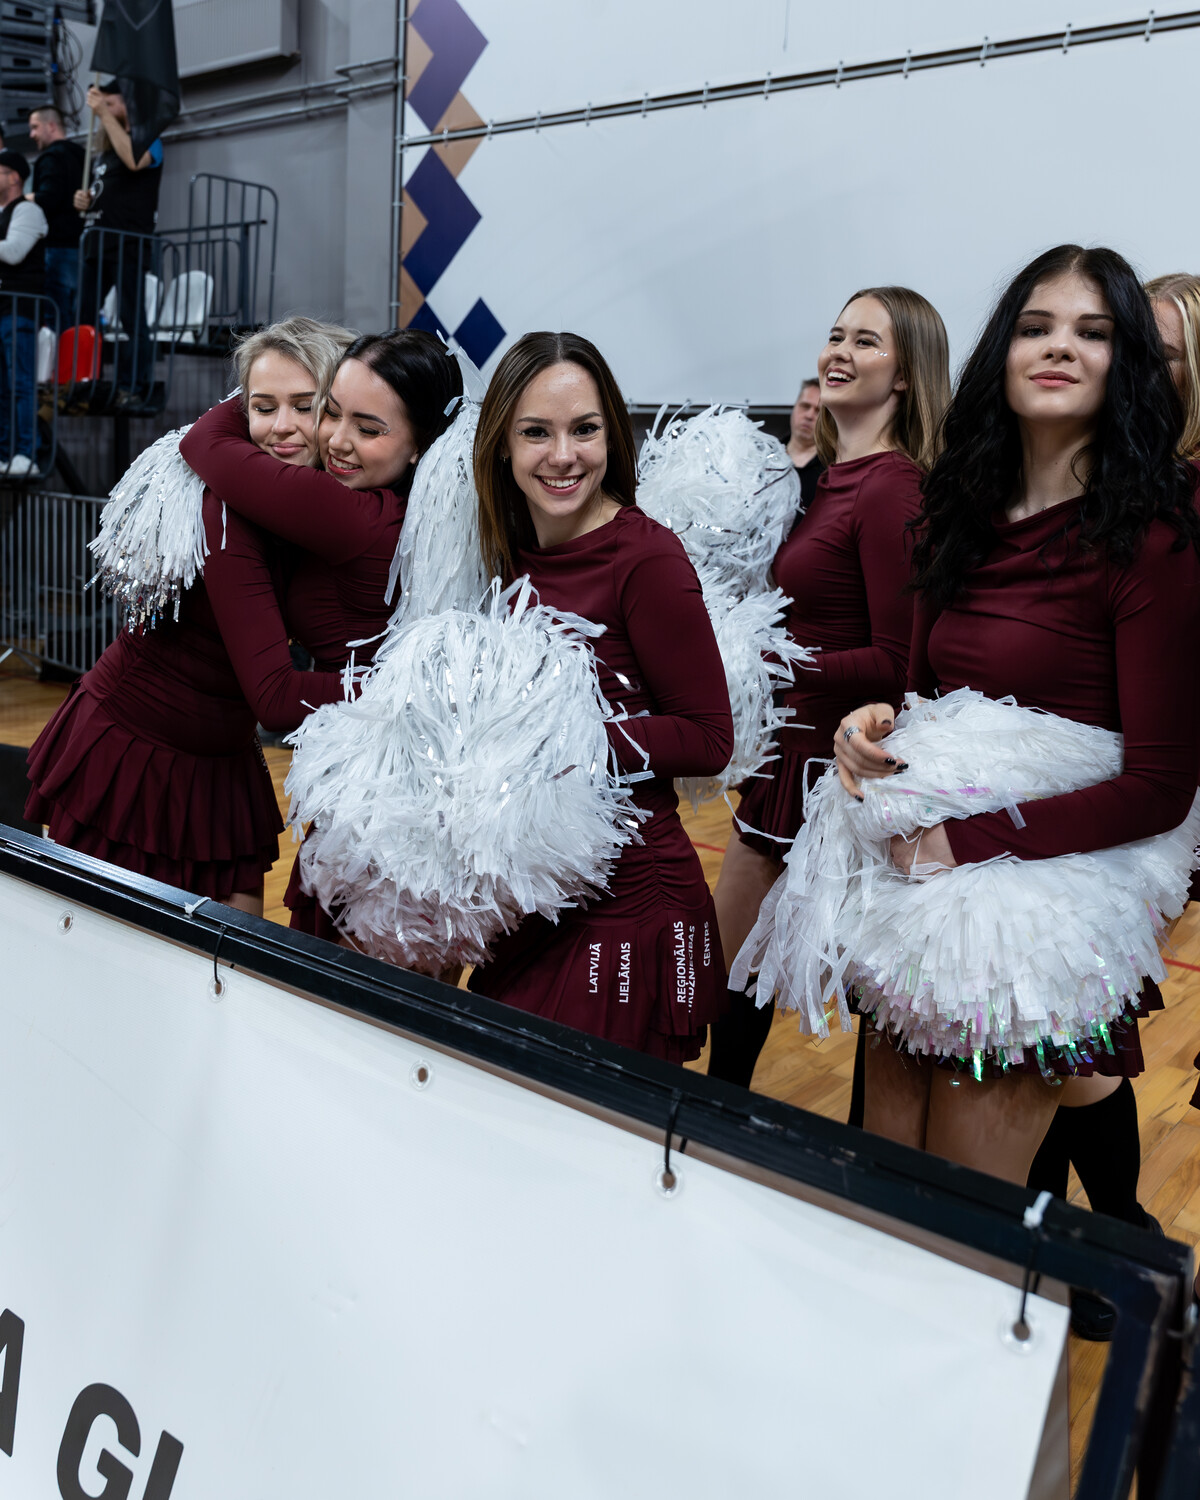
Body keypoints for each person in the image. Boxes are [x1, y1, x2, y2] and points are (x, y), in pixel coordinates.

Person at [833, 245, 1200, 1194]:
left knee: (961, 1217)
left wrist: (965, 842)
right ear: (1002, 351)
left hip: (1027, 910)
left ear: (1128, 363)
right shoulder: (954, 514)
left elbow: (1161, 787)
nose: (1060, 347)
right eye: (1036, 327)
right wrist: (868, 727)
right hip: (917, 892)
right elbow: (926, 701)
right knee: (883, 1191)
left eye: (1092, 331)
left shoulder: (1153, 538)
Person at [26, 317, 356, 913]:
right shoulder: (226, 508)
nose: (281, 426)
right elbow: (276, 698)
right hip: (131, 755)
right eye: (263, 407)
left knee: (227, 960)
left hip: (221, 762)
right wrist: (405, 688)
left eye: (305, 406)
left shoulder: (319, 494)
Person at [466, 331, 734, 1062]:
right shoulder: (509, 550)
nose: (563, 455)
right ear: (501, 446)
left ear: (612, 437)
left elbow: (709, 735)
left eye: (584, 429)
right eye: (536, 432)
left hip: (630, 901)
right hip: (541, 894)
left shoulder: (645, 555)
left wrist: (551, 742)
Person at [707, 287, 950, 1091]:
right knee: (731, 970)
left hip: (837, 772)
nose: (840, 351)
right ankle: (709, 1127)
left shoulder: (892, 488)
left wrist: (770, 661)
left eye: (866, 341)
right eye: (836, 335)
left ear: (907, 374)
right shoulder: (840, 477)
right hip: (794, 758)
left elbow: (898, 661)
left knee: (859, 1001)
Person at [179, 327, 465, 937]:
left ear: (423, 445)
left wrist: (266, 376)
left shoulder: (349, 515)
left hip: (386, 791)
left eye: (368, 428)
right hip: (399, 777)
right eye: (331, 413)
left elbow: (203, 441)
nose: (335, 440)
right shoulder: (408, 511)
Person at [72, 81, 163, 397]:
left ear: (128, 106)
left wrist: (103, 113)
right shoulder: (104, 154)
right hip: (97, 242)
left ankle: (133, 386)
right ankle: (84, 380)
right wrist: (83, 200)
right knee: (82, 315)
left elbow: (135, 161)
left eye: (111, 104)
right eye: (103, 105)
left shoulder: (149, 140)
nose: (104, 110)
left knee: (131, 316)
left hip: (128, 241)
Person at [0, 149, 47, 477]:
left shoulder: (28, 210)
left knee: (20, 384)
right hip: (4, 308)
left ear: (14, 177)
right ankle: (5, 453)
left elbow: (15, 252)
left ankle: (26, 453)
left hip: (20, 309)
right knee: (3, 388)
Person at [27, 105, 85, 334]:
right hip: (82, 244)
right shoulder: (83, 155)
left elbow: (49, 198)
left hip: (58, 246)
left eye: (35, 127)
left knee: (57, 313)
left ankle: (63, 358)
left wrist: (24, 199)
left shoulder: (51, 157)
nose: (31, 134)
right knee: (79, 312)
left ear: (51, 126)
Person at [785, 377, 824, 504]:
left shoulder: (831, 471)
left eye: (818, 411)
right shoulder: (765, 456)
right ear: (795, 406)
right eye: (805, 406)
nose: (809, 415)